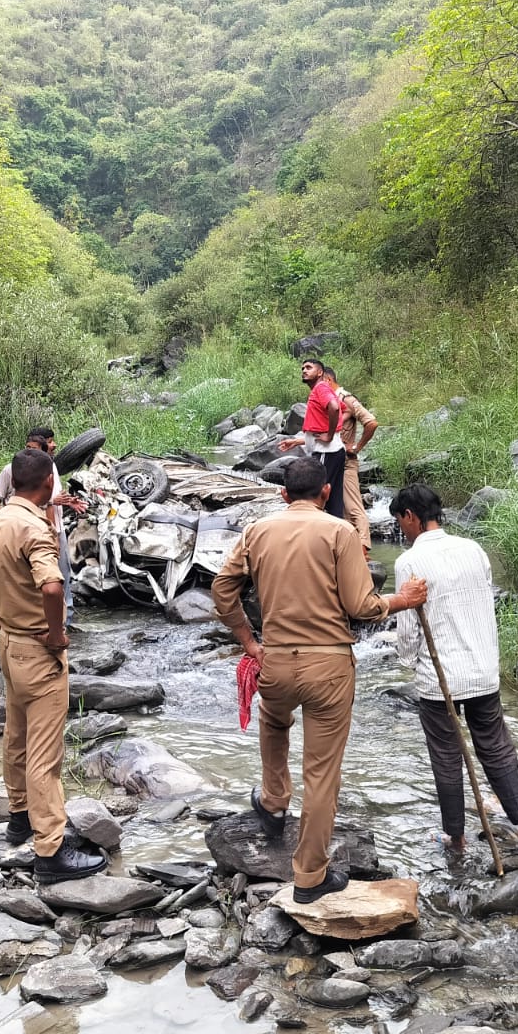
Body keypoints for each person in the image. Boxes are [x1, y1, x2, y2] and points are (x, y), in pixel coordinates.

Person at [211, 456, 428, 902]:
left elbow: (221, 590)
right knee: (322, 773)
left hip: (274, 662)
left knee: (274, 721)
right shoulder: (339, 532)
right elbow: (361, 606)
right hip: (328, 666)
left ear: (284, 494)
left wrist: (248, 641)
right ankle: (309, 875)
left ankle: (273, 802)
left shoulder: (257, 531)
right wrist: (402, 600)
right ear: (326, 493)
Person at [0, 449, 107, 882]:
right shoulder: (35, 528)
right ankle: (51, 851)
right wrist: (58, 635)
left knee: (16, 735)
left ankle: (20, 816)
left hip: (9, 645)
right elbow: (53, 586)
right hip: (39, 651)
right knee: (46, 753)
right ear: (46, 485)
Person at [390, 483, 518, 868]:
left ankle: (456, 838)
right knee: (497, 751)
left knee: (447, 758)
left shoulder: (408, 563)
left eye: (401, 521)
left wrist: (410, 662)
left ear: (410, 516)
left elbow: (409, 633)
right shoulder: (473, 550)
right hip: (482, 670)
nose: (402, 530)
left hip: (440, 679)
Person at [0, 429, 89, 627]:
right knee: (38, 579)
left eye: (35, 449)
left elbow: (51, 503)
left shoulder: (50, 469)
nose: (30, 454)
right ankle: (48, 624)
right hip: (29, 530)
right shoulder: (12, 470)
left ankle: (63, 622)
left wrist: (65, 506)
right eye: (28, 448)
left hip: (51, 529)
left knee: (62, 576)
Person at [277, 358, 347, 521]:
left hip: (326, 452)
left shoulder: (320, 388)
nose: (304, 370)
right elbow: (343, 408)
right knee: (333, 499)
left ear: (320, 372)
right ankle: (335, 533)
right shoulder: (324, 389)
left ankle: (313, 531)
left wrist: (330, 435)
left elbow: (335, 408)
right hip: (332, 451)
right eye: (302, 368)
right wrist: (298, 441)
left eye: (309, 367)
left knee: (312, 496)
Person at [323, 366, 377, 551]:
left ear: (328, 380)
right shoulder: (329, 401)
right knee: (339, 508)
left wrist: (356, 447)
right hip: (331, 460)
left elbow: (371, 422)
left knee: (353, 506)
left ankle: (364, 550)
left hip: (346, 462)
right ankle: (347, 549)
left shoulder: (346, 399)